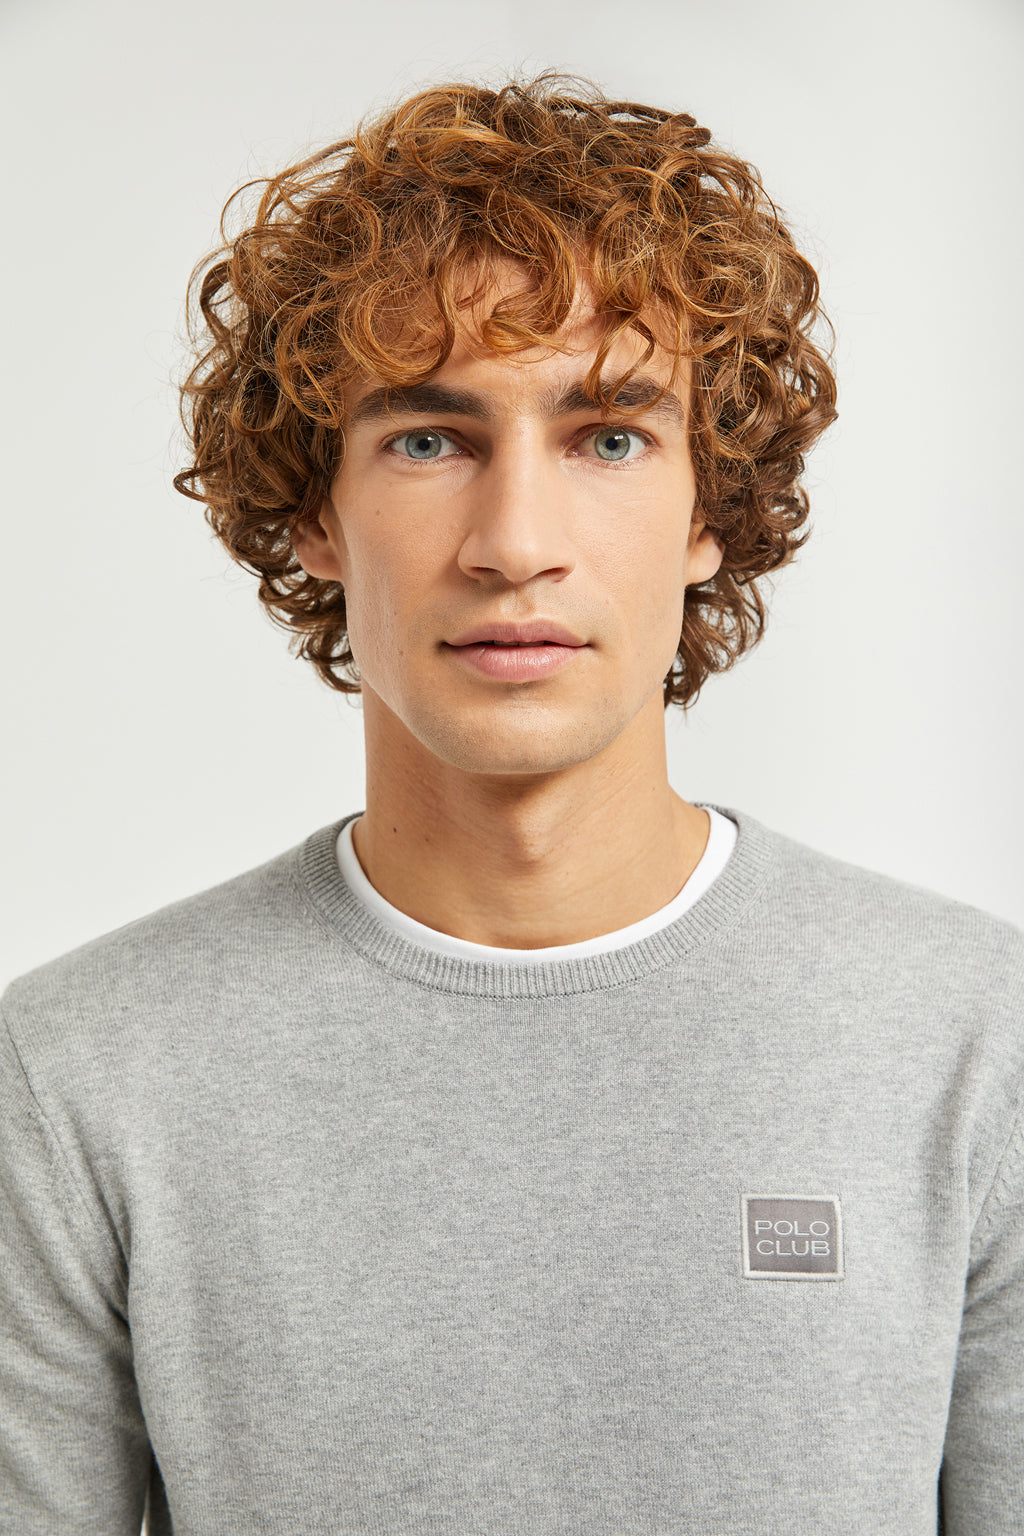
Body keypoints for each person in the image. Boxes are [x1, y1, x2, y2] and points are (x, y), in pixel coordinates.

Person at [1, 71, 1020, 1536]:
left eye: (609, 436)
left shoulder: (976, 1041)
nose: (515, 543)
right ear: (314, 511)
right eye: (430, 439)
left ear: (709, 510)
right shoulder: (81, 1074)